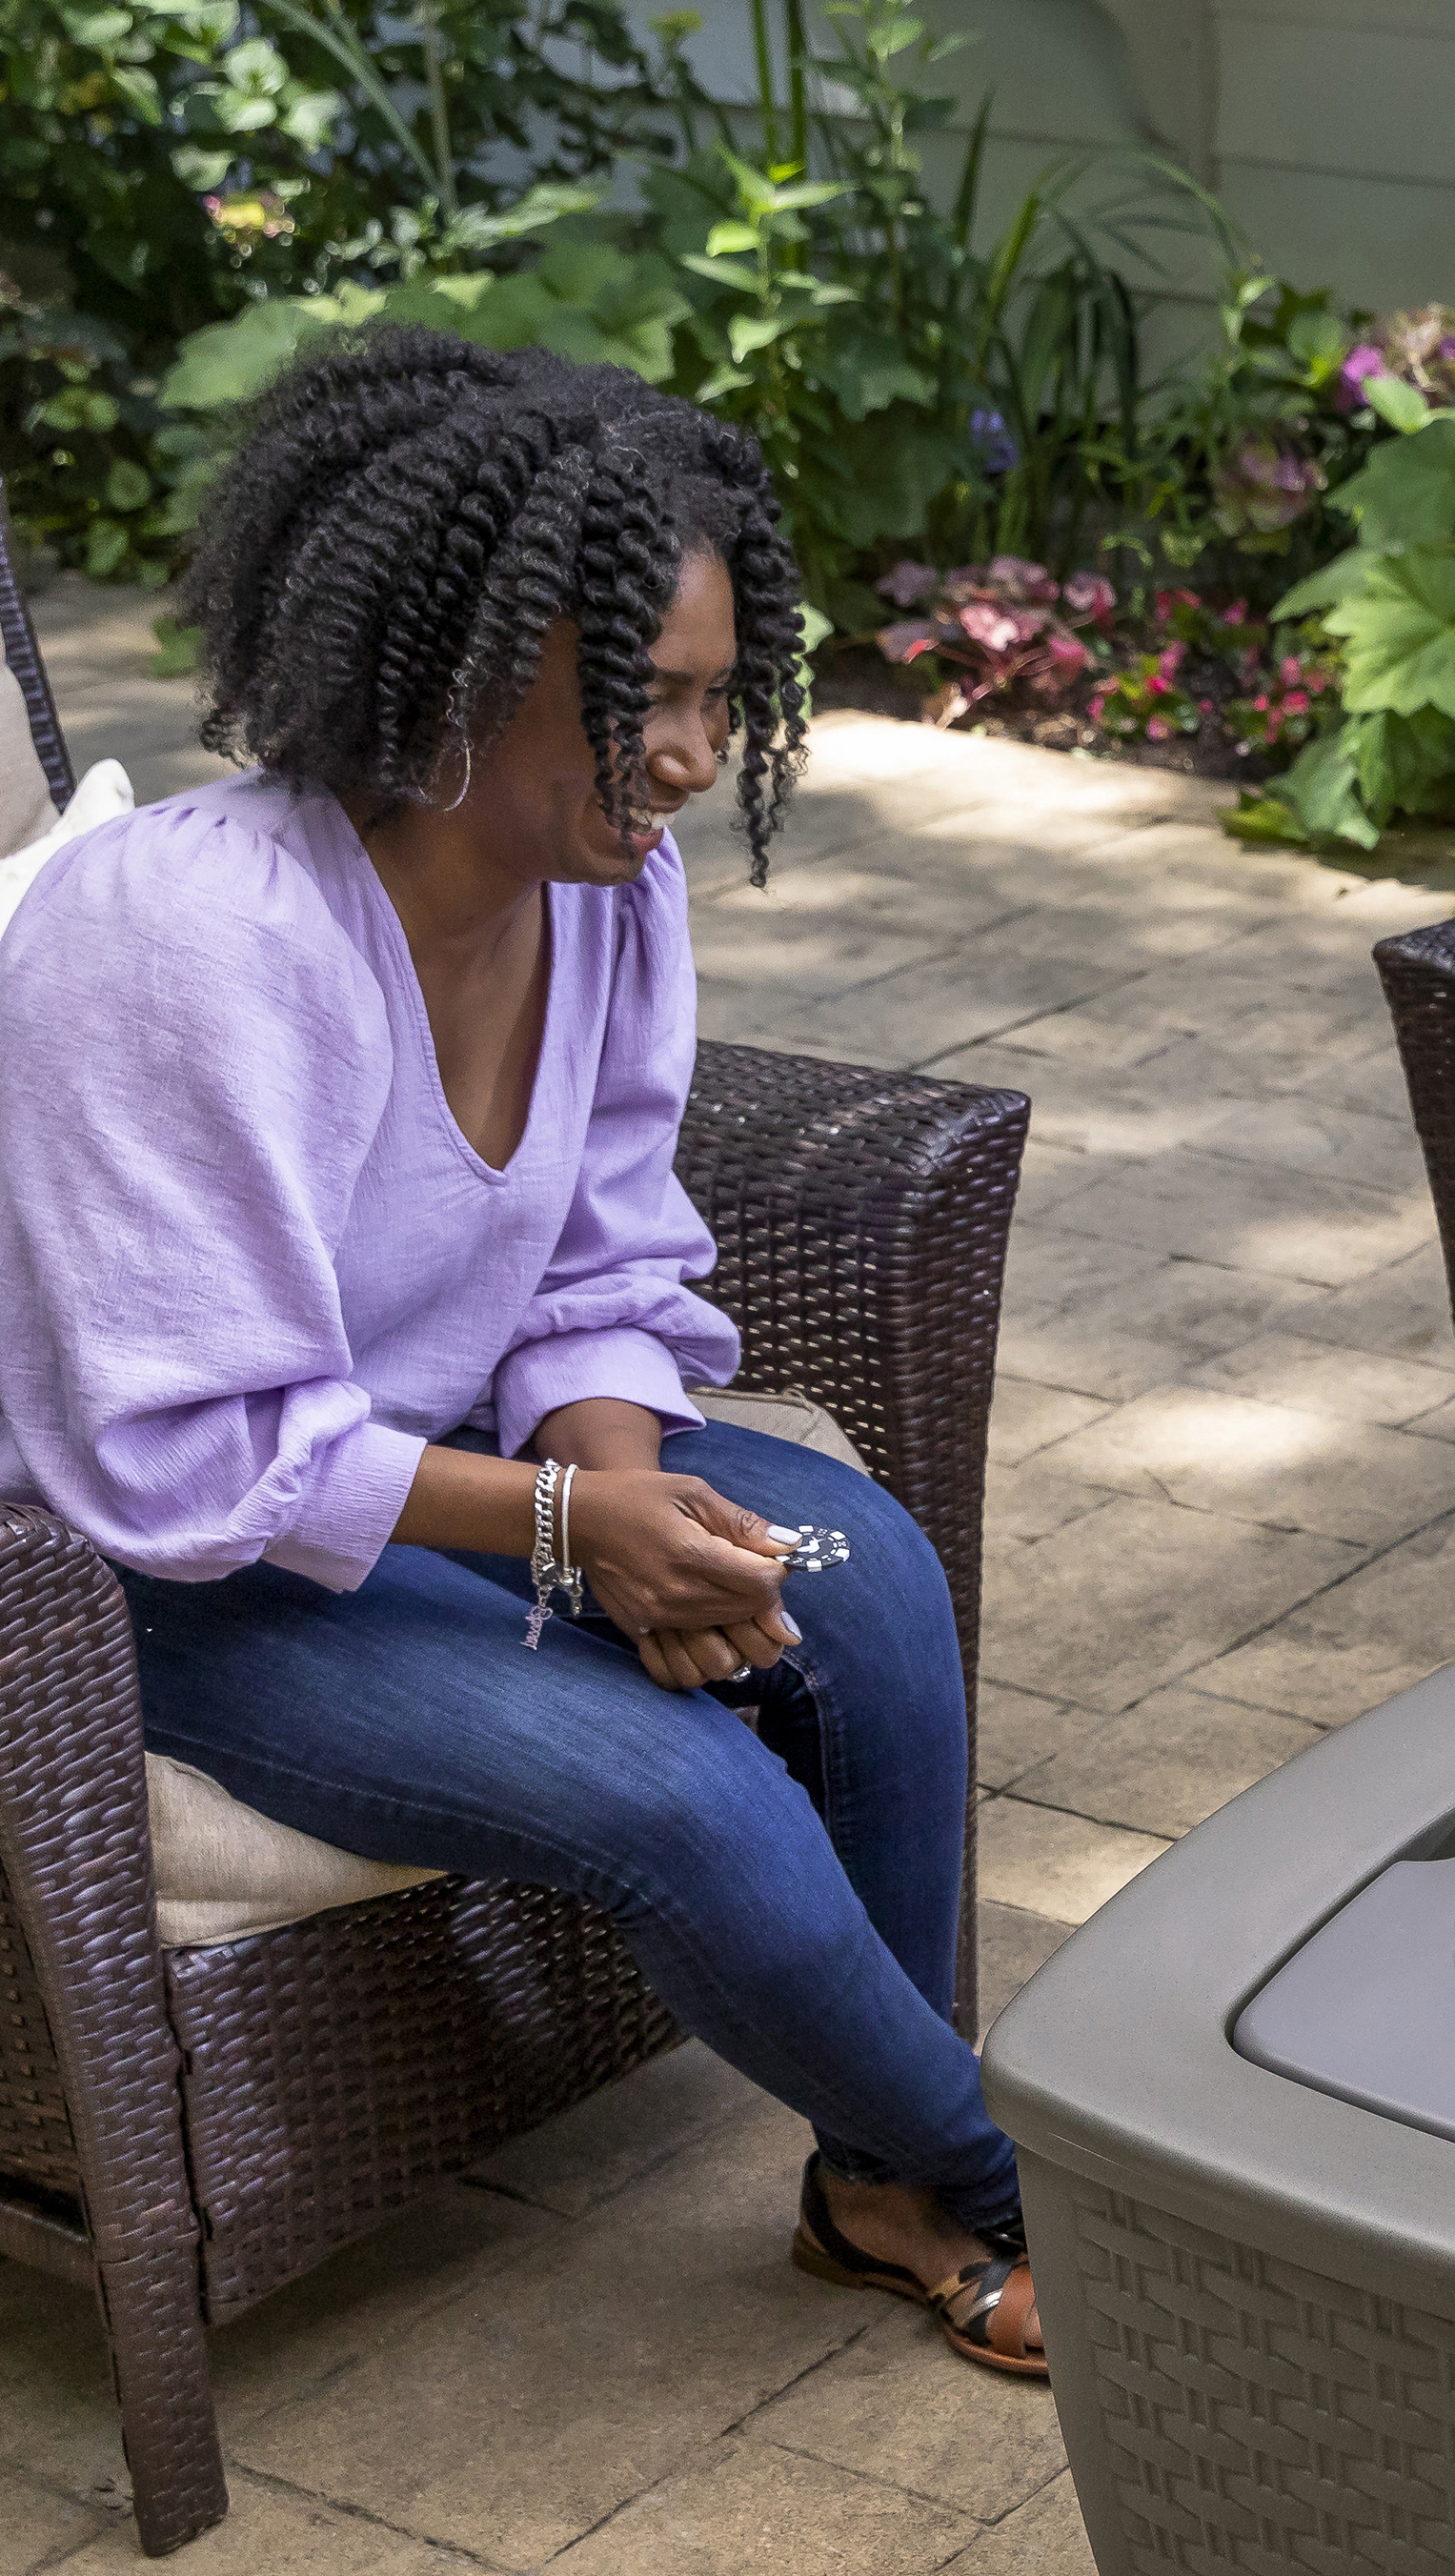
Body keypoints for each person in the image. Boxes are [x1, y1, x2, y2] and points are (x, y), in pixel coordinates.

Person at [0, 331, 1044, 2376]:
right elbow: (183, 1456)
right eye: (637, 696)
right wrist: (568, 1529)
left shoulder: (605, 894)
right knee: (688, 1791)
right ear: (448, 652)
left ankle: (870, 2175)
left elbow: (598, 1258)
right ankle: (1018, 2174)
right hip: (132, 1575)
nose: (687, 753)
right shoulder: (182, 940)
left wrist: (621, 1491)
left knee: (871, 1586)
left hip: (426, 1479)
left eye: (713, 694)